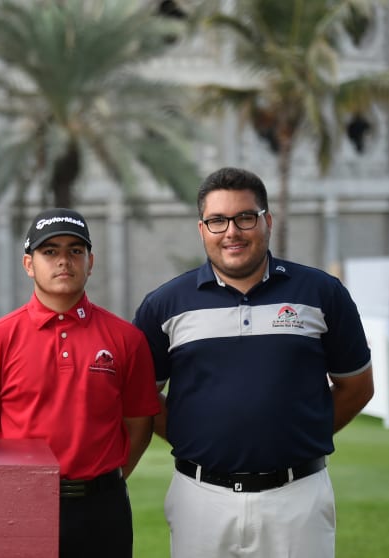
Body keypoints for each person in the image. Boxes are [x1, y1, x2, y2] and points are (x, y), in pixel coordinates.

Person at [132, 167, 375, 558]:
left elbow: (357, 387)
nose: (232, 231)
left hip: (299, 498)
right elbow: (141, 398)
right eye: (217, 220)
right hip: (200, 499)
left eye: (245, 217)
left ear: (267, 221)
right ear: (202, 229)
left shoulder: (321, 293)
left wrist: (298, 433)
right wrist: (192, 433)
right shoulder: (164, 305)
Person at [0, 208, 160, 558]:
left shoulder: (126, 339)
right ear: (28, 264)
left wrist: (103, 483)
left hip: (102, 510)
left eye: (74, 251)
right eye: (50, 251)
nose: (63, 261)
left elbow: (139, 425)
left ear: (90, 261)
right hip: (20, 505)